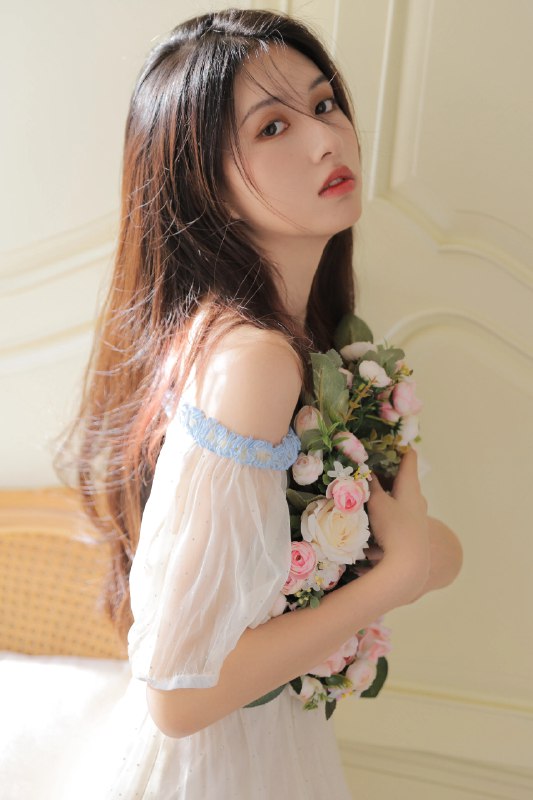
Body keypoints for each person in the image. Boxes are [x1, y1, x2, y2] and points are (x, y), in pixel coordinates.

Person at [54, 8, 463, 799]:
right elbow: (179, 698)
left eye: (323, 104)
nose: (326, 140)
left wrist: (405, 556)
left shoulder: (300, 348)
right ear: (204, 185)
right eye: (271, 127)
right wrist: (395, 574)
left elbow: (438, 554)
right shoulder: (254, 362)